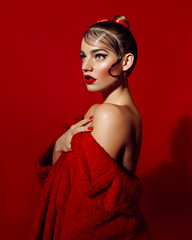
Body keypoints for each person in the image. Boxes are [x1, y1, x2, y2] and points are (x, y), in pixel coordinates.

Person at [28, 15, 150, 240]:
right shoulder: (121, 113)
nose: (86, 65)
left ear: (126, 62)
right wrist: (61, 144)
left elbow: (86, 211)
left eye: (100, 56)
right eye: (83, 56)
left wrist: (62, 145)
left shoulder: (108, 114)